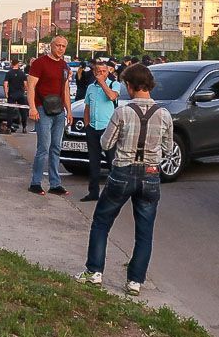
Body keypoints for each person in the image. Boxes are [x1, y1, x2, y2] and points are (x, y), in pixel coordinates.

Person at [76, 64, 174, 296]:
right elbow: (168, 149)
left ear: (130, 85)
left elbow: (105, 144)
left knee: (102, 222)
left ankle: (94, 272)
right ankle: (135, 281)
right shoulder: (164, 114)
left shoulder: (122, 112)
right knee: (144, 231)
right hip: (150, 174)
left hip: (122, 172)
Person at [27, 36, 73, 196]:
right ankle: (35, 182)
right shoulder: (40, 63)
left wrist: (69, 111)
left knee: (56, 147)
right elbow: (31, 86)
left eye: (63, 46)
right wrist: (32, 107)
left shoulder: (64, 66)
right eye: (58, 45)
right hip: (42, 109)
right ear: (51, 46)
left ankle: (55, 184)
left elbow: (65, 89)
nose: (60, 48)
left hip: (59, 111)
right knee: (43, 147)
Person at [80, 57, 120, 202]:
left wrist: (103, 82)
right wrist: (87, 125)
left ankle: (115, 193)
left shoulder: (114, 84)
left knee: (111, 161)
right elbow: (87, 106)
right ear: (94, 72)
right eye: (98, 71)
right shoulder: (91, 87)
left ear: (108, 72)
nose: (101, 74)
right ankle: (93, 192)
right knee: (93, 161)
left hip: (108, 129)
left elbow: (111, 96)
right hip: (93, 128)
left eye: (104, 71)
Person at [5, 58, 29, 133]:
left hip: (12, 94)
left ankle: (9, 128)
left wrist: (6, 93)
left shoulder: (9, 73)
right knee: (23, 111)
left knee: (10, 112)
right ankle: (24, 127)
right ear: (18, 64)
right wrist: (26, 92)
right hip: (20, 94)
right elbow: (25, 84)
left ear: (12, 64)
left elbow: (5, 84)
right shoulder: (22, 73)